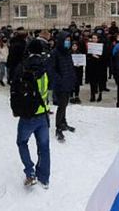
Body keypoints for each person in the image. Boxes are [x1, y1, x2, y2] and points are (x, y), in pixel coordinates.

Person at [14, 39, 51, 189]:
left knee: (22, 142)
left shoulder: (22, 67)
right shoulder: (45, 66)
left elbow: (15, 87)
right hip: (43, 113)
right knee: (44, 147)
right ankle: (44, 177)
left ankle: (30, 172)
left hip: (27, 114)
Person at [50, 31, 77, 142]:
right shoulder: (55, 53)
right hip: (60, 85)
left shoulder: (67, 52)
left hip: (68, 83)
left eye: (69, 41)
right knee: (61, 105)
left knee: (65, 104)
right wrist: (59, 80)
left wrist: (73, 78)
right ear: (61, 41)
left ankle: (64, 123)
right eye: (66, 40)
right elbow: (51, 70)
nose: (68, 42)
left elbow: (70, 66)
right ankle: (58, 127)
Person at [86, 33, 107, 102]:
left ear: (98, 39)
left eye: (95, 38)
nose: (94, 39)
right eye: (93, 38)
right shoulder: (90, 46)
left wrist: (98, 57)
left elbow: (104, 56)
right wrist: (91, 56)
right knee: (92, 81)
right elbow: (87, 55)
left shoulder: (102, 46)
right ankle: (92, 95)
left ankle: (100, 94)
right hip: (92, 66)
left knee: (99, 81)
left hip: (99, 66)